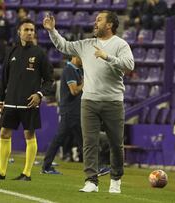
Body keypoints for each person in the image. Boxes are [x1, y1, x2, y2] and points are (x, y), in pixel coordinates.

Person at [43, 11, 134, 193]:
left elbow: (129, 65)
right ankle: (91, 181)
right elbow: (64, 46)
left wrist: (107, 56)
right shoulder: (86, 44)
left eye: (99, 20)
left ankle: (115, 180)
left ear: (109, 25)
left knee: (116, 143)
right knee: (89, 142)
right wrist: (52, 30)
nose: (95, 22)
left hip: (113, 101)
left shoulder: (120, 44)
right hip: (89, 101)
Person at [0, 18, 54, 181]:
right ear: (19, 32)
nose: (30, 32)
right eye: (26, 30)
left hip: (29, 103)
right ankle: (1, 172)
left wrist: (39, 94)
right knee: (4, 133)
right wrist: (0, 99)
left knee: (29, 135)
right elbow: (4, 78)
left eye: (32, 30)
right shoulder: (11, 51)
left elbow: (50, 80)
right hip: (10, 101)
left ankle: (27, 173)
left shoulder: (40, 53)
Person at [41, 56, 83, 174]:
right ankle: (46, 166)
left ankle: (46, 166)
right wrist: (85, 83)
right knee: (80, 140)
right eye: (81, 57)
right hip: (71, 111)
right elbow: (74, 91)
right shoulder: (69, 70)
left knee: (80, 140)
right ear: (74, 57)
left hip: (73, 110)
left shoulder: (76, 70)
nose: (83, 60)